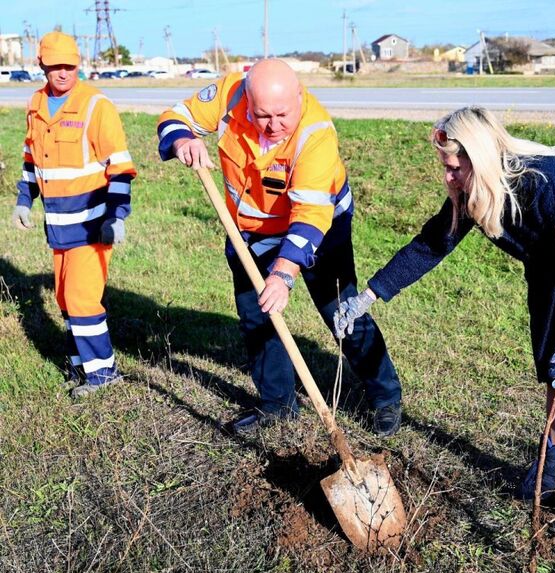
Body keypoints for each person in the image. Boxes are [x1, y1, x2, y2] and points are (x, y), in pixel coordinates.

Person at [334, 106, 555, 521]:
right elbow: (433, 243)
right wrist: (369, 295)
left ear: (479, 157)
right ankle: (552, 467)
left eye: (454, 167)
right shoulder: (479, 189)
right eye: (445, 167)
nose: (448, 177)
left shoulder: (551, 183)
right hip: (554, 276)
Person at [156, 58, 402, 436]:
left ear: (299, 96)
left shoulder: (315, 134)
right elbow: (175, 116)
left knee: (340, 308)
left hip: (319, 225)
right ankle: (278, 404)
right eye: (262, 115)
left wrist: (283, 274)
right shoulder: (229, 93)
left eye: (282, 115)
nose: (273, 126)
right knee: (257, 313)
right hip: (250, 230)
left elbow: (310, 215)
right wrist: (182, 139)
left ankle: (385, 396)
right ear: (248, 100)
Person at [12, 32, 136, 398]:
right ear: (42, 66)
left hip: (92, 226)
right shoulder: (36, 104)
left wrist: (116, 216)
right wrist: (24, 199)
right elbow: (32, 159)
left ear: (78, 65)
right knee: (66, 299)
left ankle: (103, 375)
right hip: (58, 226)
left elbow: (120, 166)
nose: (63, 73)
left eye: (69, 66)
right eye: (55, 67)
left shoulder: (96, 105)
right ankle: (80, 366)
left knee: (82, 298)